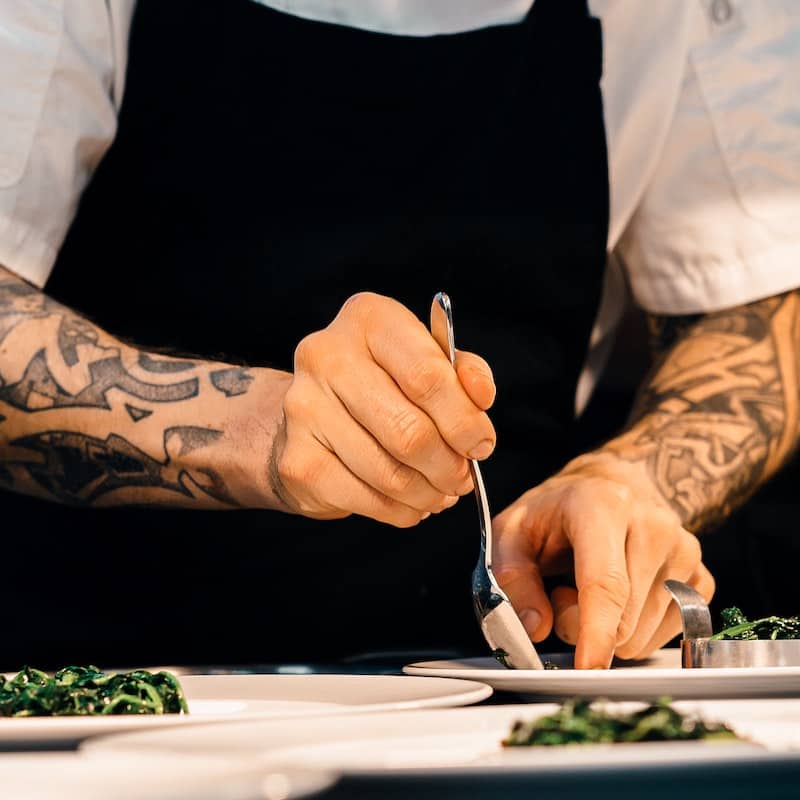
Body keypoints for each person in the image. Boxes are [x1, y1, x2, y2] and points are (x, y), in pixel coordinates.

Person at [0, 0, 798, 671]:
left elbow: (750, 312)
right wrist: (252, 425)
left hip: (504, 682)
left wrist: (633, 483)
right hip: (97, 683)